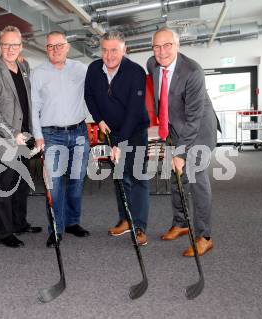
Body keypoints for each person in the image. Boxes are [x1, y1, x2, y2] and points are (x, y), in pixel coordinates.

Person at [146, 27, 219, 256]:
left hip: (198, 131)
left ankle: (204, 236)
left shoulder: (193, 71)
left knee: (196, 181)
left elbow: (194, 118)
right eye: (157, 46)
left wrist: (180, 153)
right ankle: (181, 223)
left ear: (177, 46)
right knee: (177, 178)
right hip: (175, 129)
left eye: (167, 45)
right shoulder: (152, 64)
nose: (162, 51)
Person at [84, 30, 150, 246]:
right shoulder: (94, 69)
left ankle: (139, 225)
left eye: (114, 50)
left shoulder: (135, 72)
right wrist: (99, 119)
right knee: (121, 177)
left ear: (124, 49)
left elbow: (134, 110)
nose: (109, 55)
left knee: (138, 177)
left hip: (135, 130)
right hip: (111, 130)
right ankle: (125, 219)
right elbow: (89, 96)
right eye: (105, 50)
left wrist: (120, 143)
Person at [0, 26, 42, 248]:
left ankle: (19, 223)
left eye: (15, 45)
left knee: (22, 184)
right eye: (6, 44)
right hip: (4, 140)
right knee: (4, 188)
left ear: (21, 47)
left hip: (24, 138)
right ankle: (5, 234)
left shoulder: (24, 66)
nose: (10, 49)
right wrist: (13, 134)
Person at [31, 31, 90, 248]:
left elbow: (96, 93)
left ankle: (72, 222)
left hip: (79, 132)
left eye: (59, 45)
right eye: (50, 46)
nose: (55, 50)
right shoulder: (37, 73)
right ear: (46, 49)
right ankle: (56, 228)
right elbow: (34, 107)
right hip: (51, 135)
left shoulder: (81, 69)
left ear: (67, 47)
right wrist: (38, 136)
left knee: (76, 181)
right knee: (54, 185)